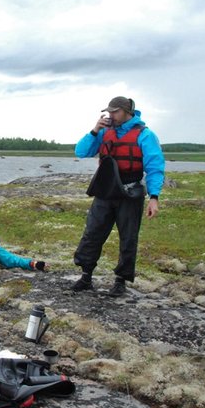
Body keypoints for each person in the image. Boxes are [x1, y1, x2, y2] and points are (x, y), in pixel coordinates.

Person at [70, 96, 165, 296]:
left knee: (128, 238)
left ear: (126, 111)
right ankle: (86, 277)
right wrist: (95, 130)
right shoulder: (104, 132)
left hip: (130, 194)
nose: (110, 115)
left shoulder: (145, 135)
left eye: (114, 111)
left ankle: (120, 281)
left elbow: (155, 167)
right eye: (109, 111)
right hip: (105, 191)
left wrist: (154, 197)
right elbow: (81, 151)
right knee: (92, 233)